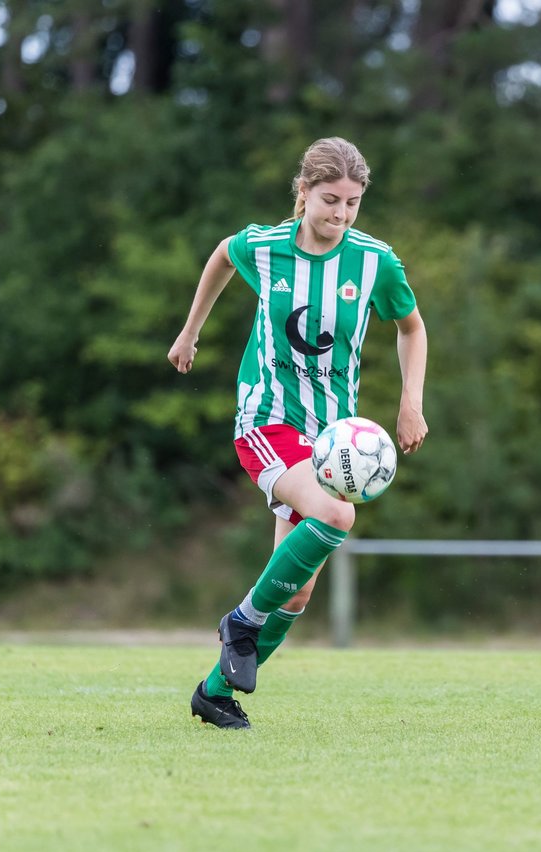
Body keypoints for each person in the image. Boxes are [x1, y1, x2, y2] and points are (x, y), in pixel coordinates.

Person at [168, 137, 429, 729]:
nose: (340, 214)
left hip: (330, 436)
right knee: (337, 518)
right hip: (267, 420)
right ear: (303, 192)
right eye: (330, 199)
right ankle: (240, 623)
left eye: (353, 203)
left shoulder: (374, 262)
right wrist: (191, 332)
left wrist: (410, 403)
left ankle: (213, 693)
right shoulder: (264, 247)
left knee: (296, 594)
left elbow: (412, 329)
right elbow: (222, 258)